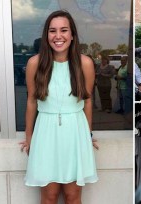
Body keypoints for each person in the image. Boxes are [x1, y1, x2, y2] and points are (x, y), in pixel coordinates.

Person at [19, 10, 98, 204]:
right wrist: (29, 138)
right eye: (52, 31)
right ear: (47, 35)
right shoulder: (34, 63)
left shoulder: (85, 63)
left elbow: (87, 101)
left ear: (72, 35)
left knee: (73, 197)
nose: (58, 36)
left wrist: (87, 135)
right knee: (49, 197)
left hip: (75, 133)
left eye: (64, 30)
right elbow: (31, 101)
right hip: (45, 133)